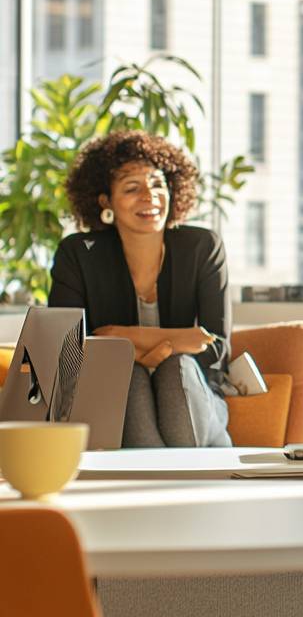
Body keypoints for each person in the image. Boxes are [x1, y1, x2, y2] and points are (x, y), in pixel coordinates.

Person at [49, 130, 232, 447]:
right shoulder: (77, 253)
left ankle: (168, 485)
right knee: (129, 377)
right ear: (106, 200)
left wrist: (124, 337)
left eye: (158, 185)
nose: (150, 196)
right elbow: (68, 351)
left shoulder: (202, 246)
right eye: (132, 188)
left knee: (175, 370)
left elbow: (215, 348)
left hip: (196, 399)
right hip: (115, 396)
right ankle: (171, 488)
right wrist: (176, 340)